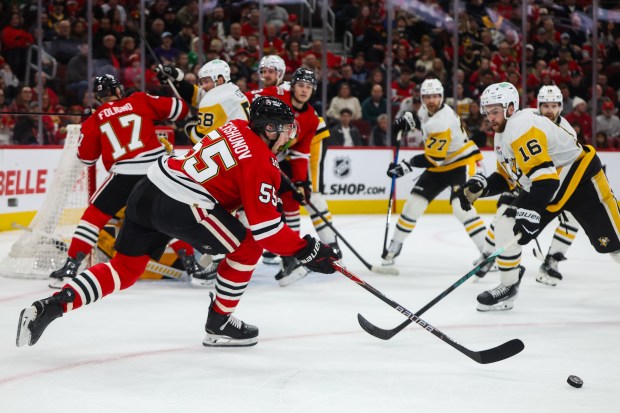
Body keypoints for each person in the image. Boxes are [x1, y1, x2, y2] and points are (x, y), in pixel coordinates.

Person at [16, 96, 340, 348]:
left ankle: (52, 307)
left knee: (124, 270)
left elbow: (233, 177)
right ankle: (219, 324)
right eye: (284, 130)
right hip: (182, 204)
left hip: (149, 187)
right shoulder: (261, 163)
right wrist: (306, 250)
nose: (287, 137)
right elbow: (267, 230)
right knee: (248, 248)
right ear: (269, 129)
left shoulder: (237, 127)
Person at [457, 82, 620, 312]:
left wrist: (531, 213)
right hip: (549, 187)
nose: (490, 117)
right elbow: (508, 177)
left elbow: (547, 178)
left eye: (495, 111)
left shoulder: (521, 126)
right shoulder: (501, 137)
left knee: (614, 244)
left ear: (510, 108)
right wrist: (480, 187)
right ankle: (508, 286)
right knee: (506, 224)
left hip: (581, 180)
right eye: (488, 112)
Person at [48, 75, 210, 289]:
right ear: (118, 91)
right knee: (165, 219)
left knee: (93, 217)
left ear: (98, 97)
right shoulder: (138, 100)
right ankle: (193, 268)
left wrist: (88, 122)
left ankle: (71, 266)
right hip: (156, 173)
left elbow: (86, 158)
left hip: (123, 175)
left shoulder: (96, 118)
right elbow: (180, 109)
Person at [477, 85, 583, 286]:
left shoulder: (566, 130)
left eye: (554, 105)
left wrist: (534, 199)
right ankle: (491, 255)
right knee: (503, 216)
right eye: (545, 105)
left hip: (551, 184)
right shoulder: (526, 123)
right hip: (529, 180)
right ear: (538, 106)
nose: (549, 110)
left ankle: (553, 259)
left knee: (571, 219)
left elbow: (557, 170)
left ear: (561, 107)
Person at [246, 68, 341, 286]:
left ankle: (291, 257)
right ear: (292, 85)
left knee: (292, 197)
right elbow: (246, 100)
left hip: (277, 158)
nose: (304, 90)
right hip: (254, 153)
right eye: (300, 85)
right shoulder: (276, 95)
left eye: (309, 87)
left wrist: (301, 182)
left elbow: (299, 153)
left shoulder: (311, 119)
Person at [383, 79, 488, 270]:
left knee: (461, 208)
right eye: (427, 97)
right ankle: (395, 245)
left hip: (460, 163)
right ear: (422, 98)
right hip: (440, 164)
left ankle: (487, 252)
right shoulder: (426, 110)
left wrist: (406, 166)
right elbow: (422, 121)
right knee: (413, 205)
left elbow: (432, 159)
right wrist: (409, 121)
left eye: (435, 96)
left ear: (442, 97)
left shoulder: (443, 121)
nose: (431, 100)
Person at [156, 59, 249, 145]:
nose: (203, 86)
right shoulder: (231, 89)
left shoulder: (215, 100)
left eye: (206, 81)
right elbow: (198, 95)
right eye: (202, 82)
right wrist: (177, 81)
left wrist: (190, 128)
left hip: (232, 152)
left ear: (220, 80)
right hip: (243, 146)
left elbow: (200, 140)